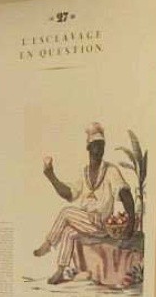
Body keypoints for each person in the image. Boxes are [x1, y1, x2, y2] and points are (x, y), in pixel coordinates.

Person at [34, 122, 136, 284]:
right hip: (87, 224)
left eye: (101, 146)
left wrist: (131, 220)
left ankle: (48, 243)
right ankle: (60, 271)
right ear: (88, 148)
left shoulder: (111, 170)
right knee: (68, 232)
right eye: (95, 146)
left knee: (67, 212)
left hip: (102, 224)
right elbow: (69, 193)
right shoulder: (84, 173)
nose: (99, 150)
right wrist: (51, 176)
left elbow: (124, 192)